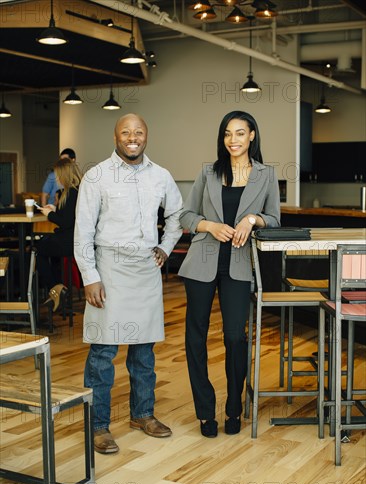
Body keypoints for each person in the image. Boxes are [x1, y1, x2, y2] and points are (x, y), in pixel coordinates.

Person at [74, 113, 183, 454]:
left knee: (144, 351)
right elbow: (83, 232)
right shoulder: (97, 176)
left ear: (146, 135)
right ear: (116, 136)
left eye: (138, 132)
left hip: (145, 270)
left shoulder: (161, 176)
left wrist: (165, 248)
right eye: (126, 132)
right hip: (109, 269)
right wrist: (90, 277)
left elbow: (177, 216)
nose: (132, 137)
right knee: (103, 352)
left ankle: (143, 414)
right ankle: (99, 426)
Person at [178, 110, 281, 438]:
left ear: (252, 135)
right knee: (196, 337)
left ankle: (234, 407)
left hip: (239, 266)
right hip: (201, 263)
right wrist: (208, 225)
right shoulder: (208, 173)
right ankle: (205, 412)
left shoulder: (266, 175)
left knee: (236, 336)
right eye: (227, 134)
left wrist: (252, 220)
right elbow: (186, 215)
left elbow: (275, 219)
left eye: (240, 133)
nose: (233, 140)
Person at [36, 157, 82, 311]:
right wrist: (55, 210)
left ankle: (55, 287)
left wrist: (49, 214)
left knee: (39, 248)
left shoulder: (70, 194)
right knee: (46, 246)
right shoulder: (76, 191)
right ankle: (57, 288)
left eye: (57, 175)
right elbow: (70, 216)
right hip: (73, 240)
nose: (56, 178)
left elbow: (66, 222)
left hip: (69, 241)